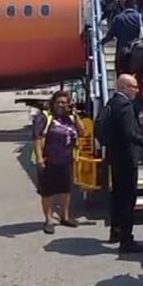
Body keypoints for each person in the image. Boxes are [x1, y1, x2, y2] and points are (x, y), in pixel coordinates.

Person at [103, 74, 143, 253]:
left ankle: (116, 231)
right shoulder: (125, 105)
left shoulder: (111, 103)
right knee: (128, 199)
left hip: (115, 156)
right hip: (127, 157)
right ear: (123, 87)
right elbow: (130, 134)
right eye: (133, 87)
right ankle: (127, 240)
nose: (136, 90)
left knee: (117, 197)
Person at [32, 90, 86, 234]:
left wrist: (75, 114)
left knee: (65, 190)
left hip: (67, 159)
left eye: (65, 103)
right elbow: (37, 138)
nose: (62, 105)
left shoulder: (70, 118)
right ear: (53, 103)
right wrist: (39, 159)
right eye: (59, 102)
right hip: (48, 160)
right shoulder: (45, 117)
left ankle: (64, 217)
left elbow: (82, 132)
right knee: (48, 192)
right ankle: (49, 220)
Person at [101, 0, 143, 76]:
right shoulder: (139, 17)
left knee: (121, 74)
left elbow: (110, 35)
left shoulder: (118, 18)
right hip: (136, 50)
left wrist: (102, 42)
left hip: (122, 50)